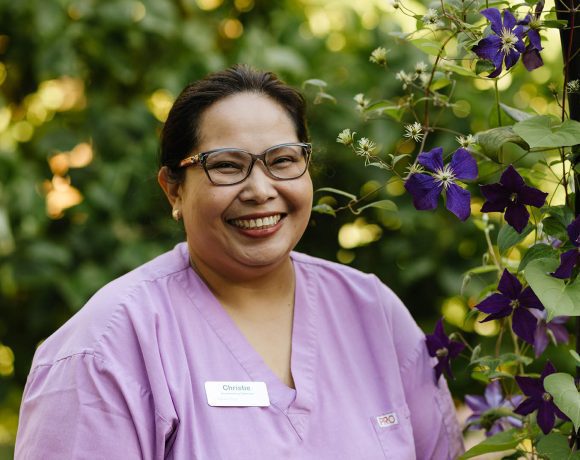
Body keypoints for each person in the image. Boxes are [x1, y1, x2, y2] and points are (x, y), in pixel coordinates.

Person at [15, 65, 463, 459]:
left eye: (283, 160)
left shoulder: (373, 313)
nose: (260, 190)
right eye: (227, 166)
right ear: (173, 190)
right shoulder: (106, 347)